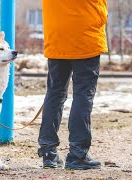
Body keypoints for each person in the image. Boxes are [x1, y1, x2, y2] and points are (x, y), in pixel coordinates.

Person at [38, 0, 108, 170]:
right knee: (83, 94)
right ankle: (77, 154)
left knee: (55, 93)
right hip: (85, 36)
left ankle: (48, 152)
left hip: (56, 37)